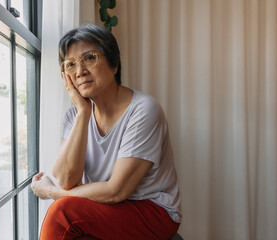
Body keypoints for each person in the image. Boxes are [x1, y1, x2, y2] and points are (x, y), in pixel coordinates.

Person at [31, 23, 182, 240]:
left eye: (89, 58)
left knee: (62, 213)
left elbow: (116, 191)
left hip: (153, 211)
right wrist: (83, 112)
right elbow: (66, 179)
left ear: (114, 65)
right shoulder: (73, 116)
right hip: (103, 205)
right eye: (70, 64)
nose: (80, 71)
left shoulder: (144, 110)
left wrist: (50, 192)